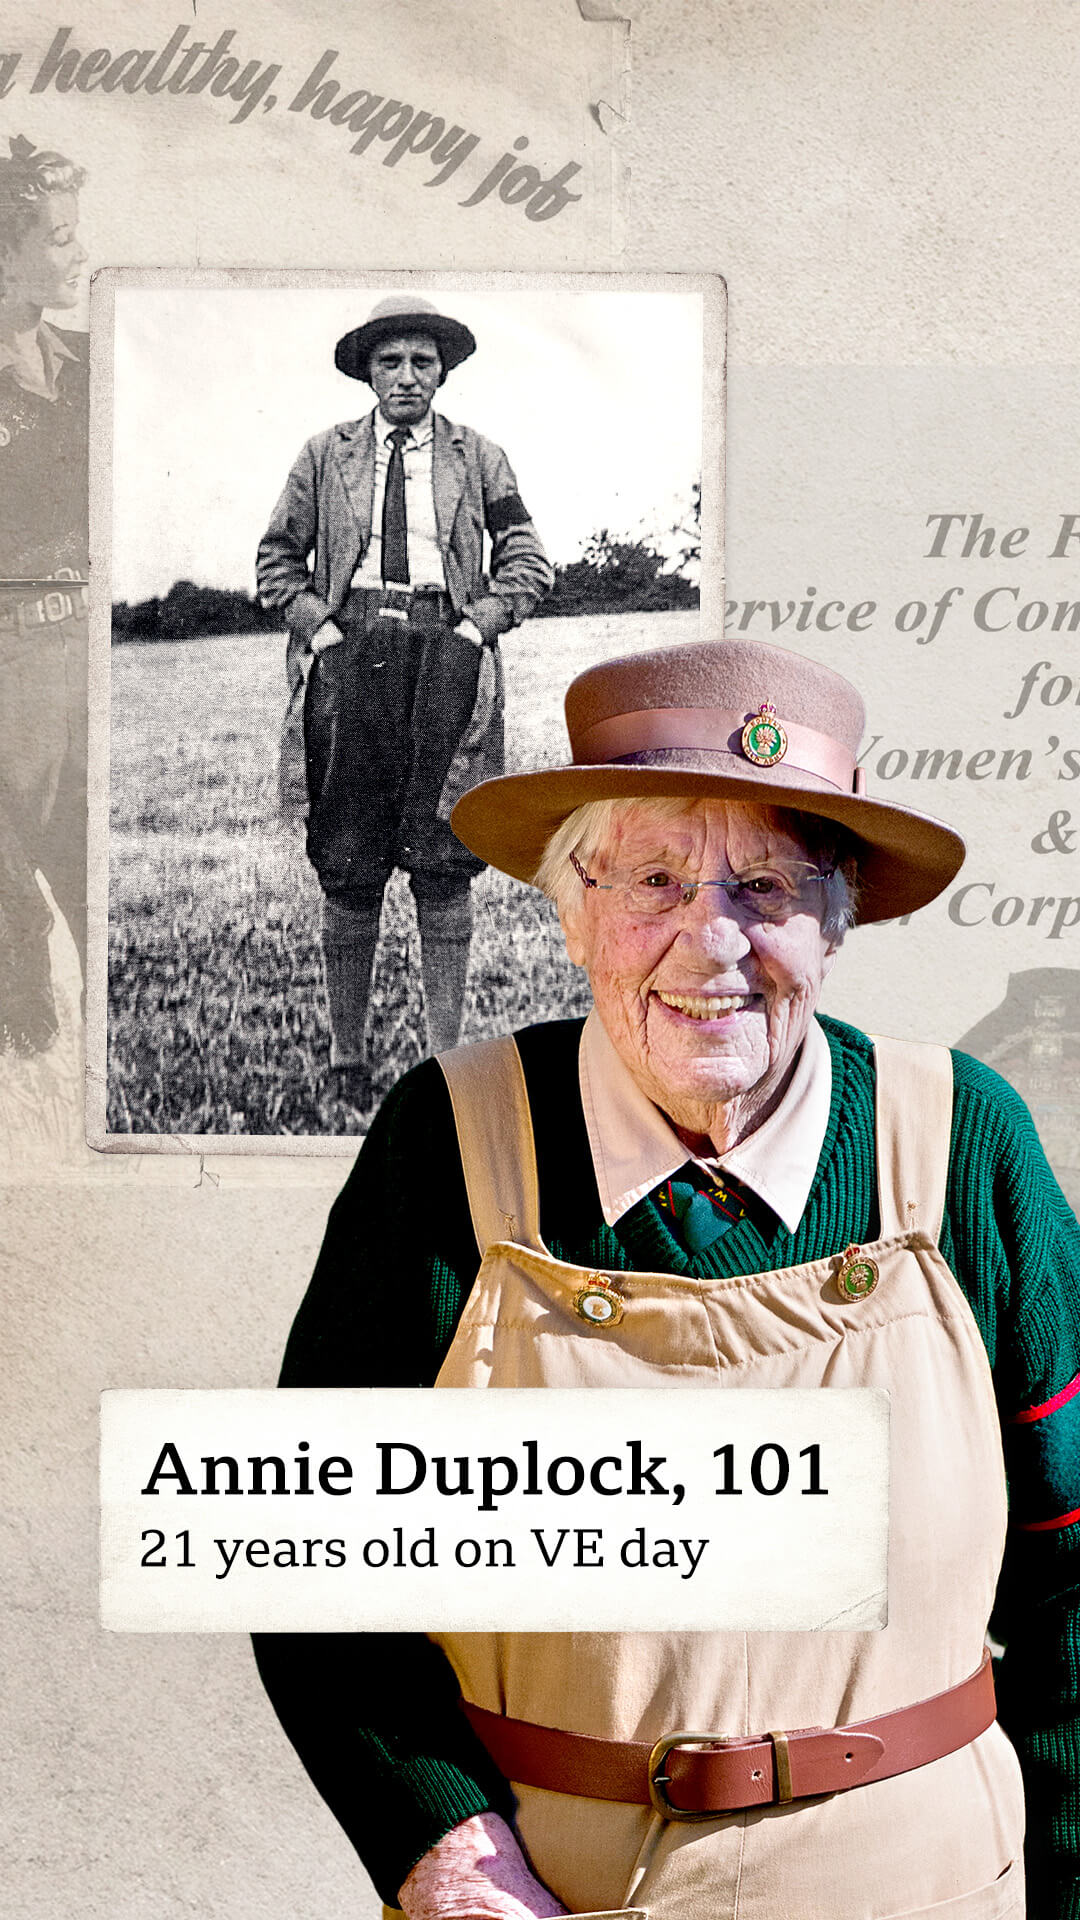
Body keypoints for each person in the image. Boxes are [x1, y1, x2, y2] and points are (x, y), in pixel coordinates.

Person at [254, 638, 1080, 1917]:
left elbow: (1076, 1574)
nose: (713, 942)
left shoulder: (964, 1139)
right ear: (572, 901)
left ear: (836, 916)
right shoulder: (450, 1143)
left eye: (766, 885)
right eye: (652, 879)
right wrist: (445, 1855)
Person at [256, 293, 553, 1105]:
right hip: (350, 655)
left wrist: (476, 627)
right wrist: (320, 631)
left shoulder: (480, 457)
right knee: (349, 862)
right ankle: (346, 1059)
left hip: (445, 654)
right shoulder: (325, 456)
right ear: (368, 372)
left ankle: (446, 1066)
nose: (407, 376)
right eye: (391, 362)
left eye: (423, 361)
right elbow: (276, 557)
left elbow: (527, 556)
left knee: (444, 857)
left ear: (443, 372)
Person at [0, 134, 89, 987]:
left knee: (98, 909)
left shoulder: (90, 370)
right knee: (13, 950)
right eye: (59, 238)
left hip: (85, 667)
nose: (82, 254)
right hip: (8, 675)